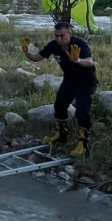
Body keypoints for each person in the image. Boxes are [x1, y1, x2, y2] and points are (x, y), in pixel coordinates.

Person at [22, 21, 97, 157]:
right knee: (59, 106)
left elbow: (89, 61)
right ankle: (61, 135)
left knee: (82, 111)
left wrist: (77, 60)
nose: (58, 39)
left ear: (69, 34)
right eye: (56, 35)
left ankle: (83, 144)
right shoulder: (54, 45)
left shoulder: (78, 44)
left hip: (86, 83)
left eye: (62, 35)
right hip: (70, 81)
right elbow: (37, 58)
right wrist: (27, 52)